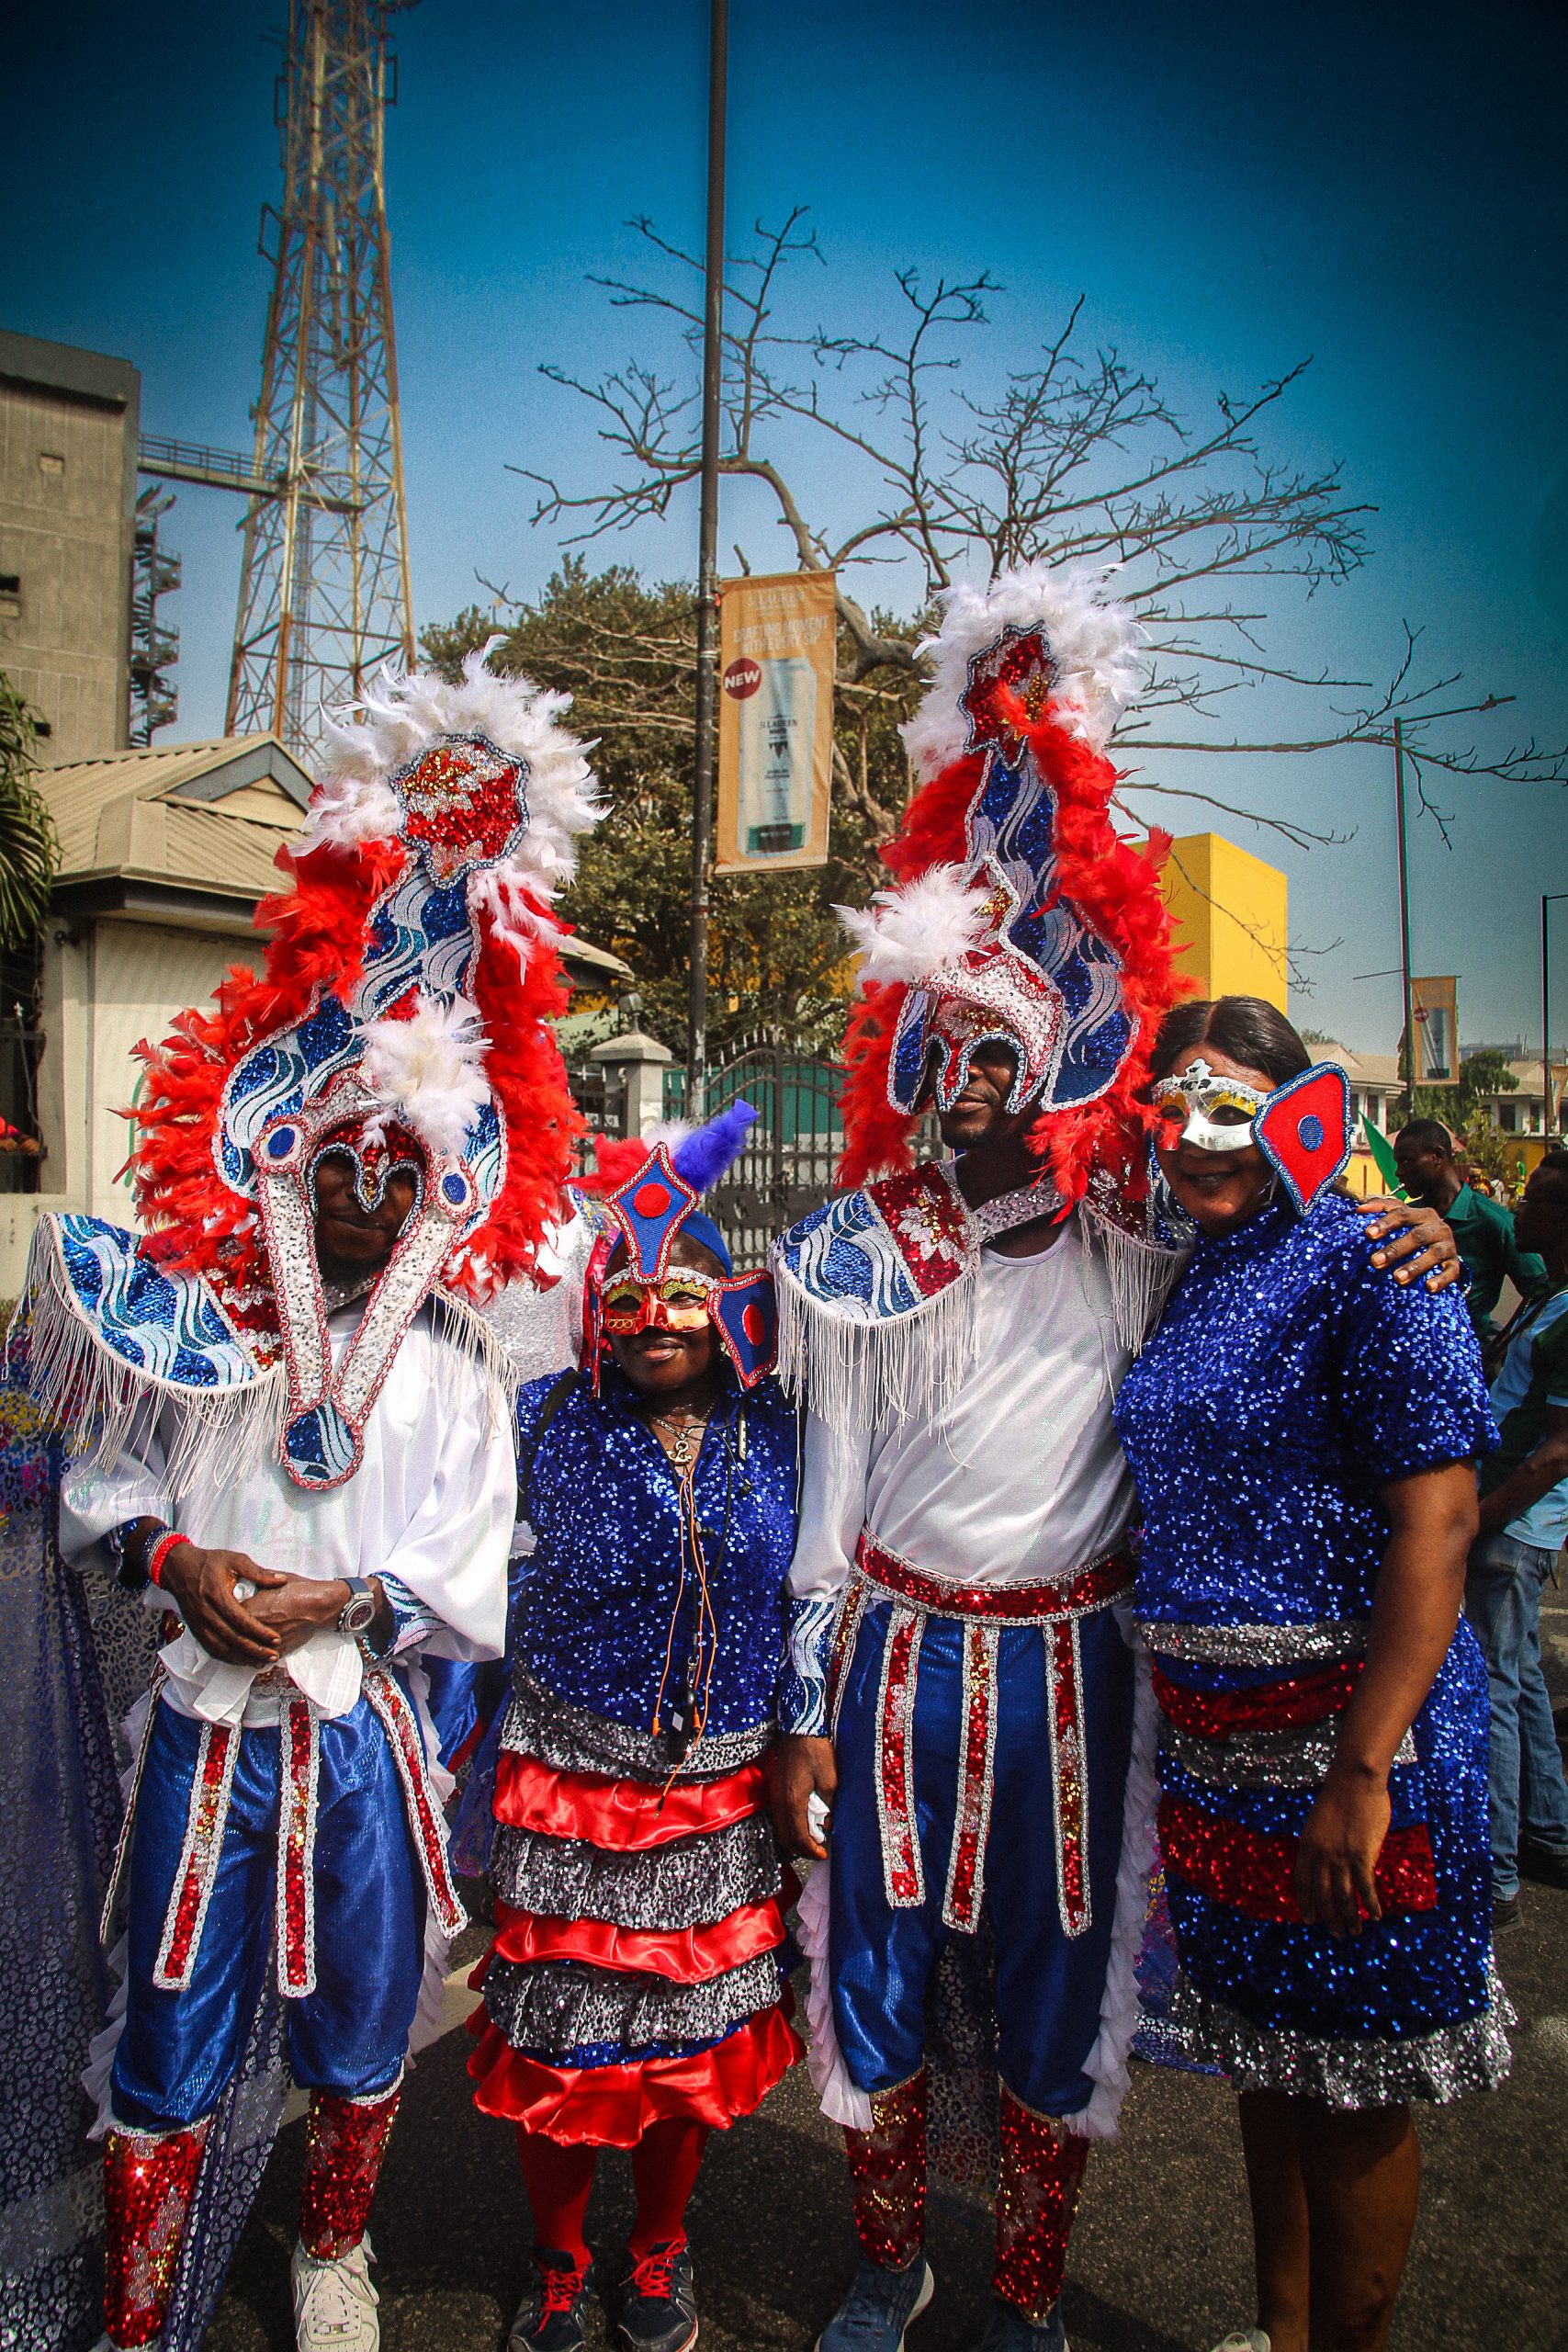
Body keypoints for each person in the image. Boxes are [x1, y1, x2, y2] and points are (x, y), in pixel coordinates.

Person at [767, 567, 1460, 2352]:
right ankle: (882, 2263)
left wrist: (1400, 1218)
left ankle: (1020, 2299)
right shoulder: (852, 1258)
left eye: (1009, 1054)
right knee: (879, 1990)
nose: (976, 1085)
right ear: (909, 1068)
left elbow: (1274, 1187)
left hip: (1082, 1669)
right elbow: (825, 1503)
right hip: (900, 1664)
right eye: (948, 1055)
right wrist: (799, 1710)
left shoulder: (1129, 1237)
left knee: (1064, 1999)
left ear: (1057, 1067)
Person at [26, 657, 601, 2352]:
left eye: (393, 1169)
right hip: (204, 1733)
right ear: (281, 1154)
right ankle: (142, 2303)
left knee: (365, 2017)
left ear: (435, 1184)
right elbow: (102, 1481)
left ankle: (333, 2253)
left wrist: (346, 1608)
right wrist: (184, 1559)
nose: (359, 1192)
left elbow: (472, 1551)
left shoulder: (449, 1366)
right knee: (167, 2022)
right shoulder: (192, 1322)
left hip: (361, 1733)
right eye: (335, 1160)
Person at [1115, 996, 1509, 2352]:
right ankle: (1280, 2337)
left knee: (1350, 2090)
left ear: (1299, 1113)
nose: (1190, 1138)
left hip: (1350, 1744)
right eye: (1170, 1107)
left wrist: (1359, 1771)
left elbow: (1438, 1522)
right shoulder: (1188, 1265)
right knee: (1268, 2070)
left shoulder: (1372, 1263)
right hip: (1214, 1753)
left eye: (1225, 1105)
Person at [466, 1114, 800, 2352]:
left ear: (727, 1305)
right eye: (627, 1296)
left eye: (683, 1291)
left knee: (685, 2042)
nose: (656, 1317)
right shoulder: (540, 1415)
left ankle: (657, 2253)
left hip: (720, 1790)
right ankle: (558, 2264)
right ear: (590, 1310)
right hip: (566, 1782)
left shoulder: (785, 1422)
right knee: (556, 2037)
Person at [1467, 1148, 1568, 1927]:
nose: (1519, 1209)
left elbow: (1558, 1451)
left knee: (1495, 1688)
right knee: (1522, 1675)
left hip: (1513, 1524)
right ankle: (1547, 1830)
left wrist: (1484, 1513)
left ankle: (1496, 1874)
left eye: (1536, 1198)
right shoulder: (1546, 1296)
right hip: (1506, 1513)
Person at [1393, 1117, 1546, 1334]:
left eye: (1407, 1161)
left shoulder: (1492, 1220)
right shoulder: (1408, 1218)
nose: (1398, 1172)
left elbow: (1539, 1292)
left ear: (1437, 1157)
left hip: (1470, 1353)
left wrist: (1506, 1344)